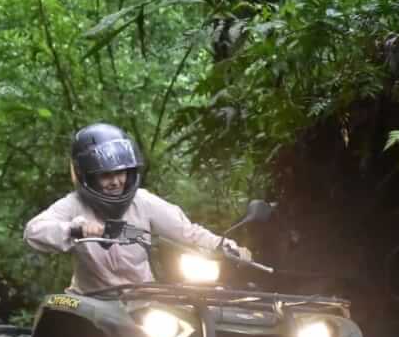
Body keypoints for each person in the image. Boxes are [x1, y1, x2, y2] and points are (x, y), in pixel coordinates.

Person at [23, 123, 253, 294]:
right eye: (105, 175)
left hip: (142, 297)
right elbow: (34, 232)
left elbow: (188, 232)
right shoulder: (74, 204)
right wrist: (75, 230)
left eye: (120, 172)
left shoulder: (143, 201)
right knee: (60, 308)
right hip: (89, 299)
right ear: (87, 177)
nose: (115, 181)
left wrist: (226, 246)